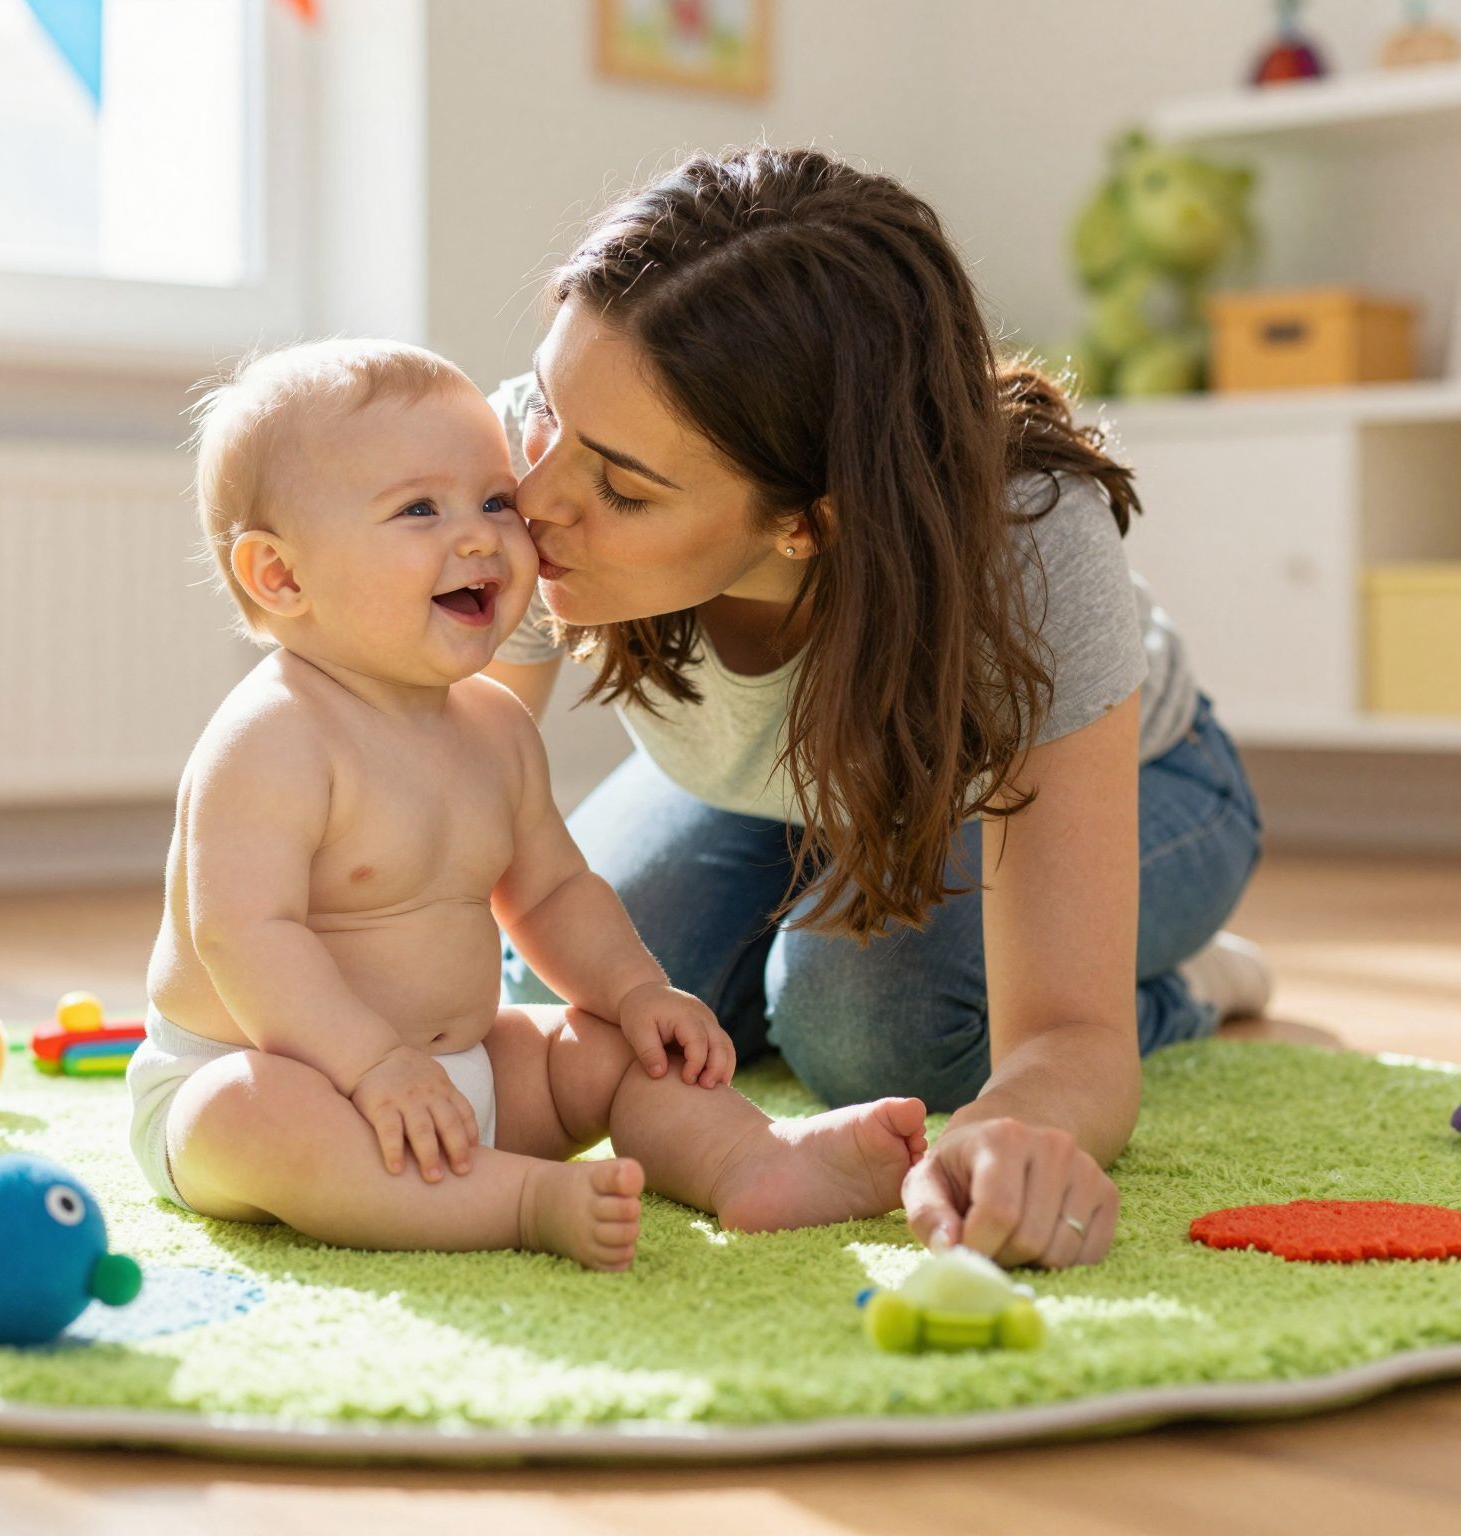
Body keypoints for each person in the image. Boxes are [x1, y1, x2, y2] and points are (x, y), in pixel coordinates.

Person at [483, 147, 1270, 1271]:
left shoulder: (1028, 544)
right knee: (564, 976)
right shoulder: (551, 441)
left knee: (863, 1025)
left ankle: (1192, 983)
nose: (531, 498)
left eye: (620, 488)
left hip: (1127, 788)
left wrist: (1012, 1132)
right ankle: (807, 930)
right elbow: (443, 804)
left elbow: (1063, 1039)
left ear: (808, 523)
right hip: (772, 798)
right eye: (543, 413)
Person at [125, 338, 929, 1272]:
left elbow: (551, 893)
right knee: (253, 1117)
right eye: (420, 508)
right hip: (279, 1076)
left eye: (494, 500)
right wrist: (372, 1066)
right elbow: (245, 938)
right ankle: (515, 1203)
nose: (479, 536)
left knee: (608, 1050)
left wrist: (633, 992)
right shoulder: (271, 739)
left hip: (464, 1077)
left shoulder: (494, 726)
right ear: (282, 576)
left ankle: (748, 1158)